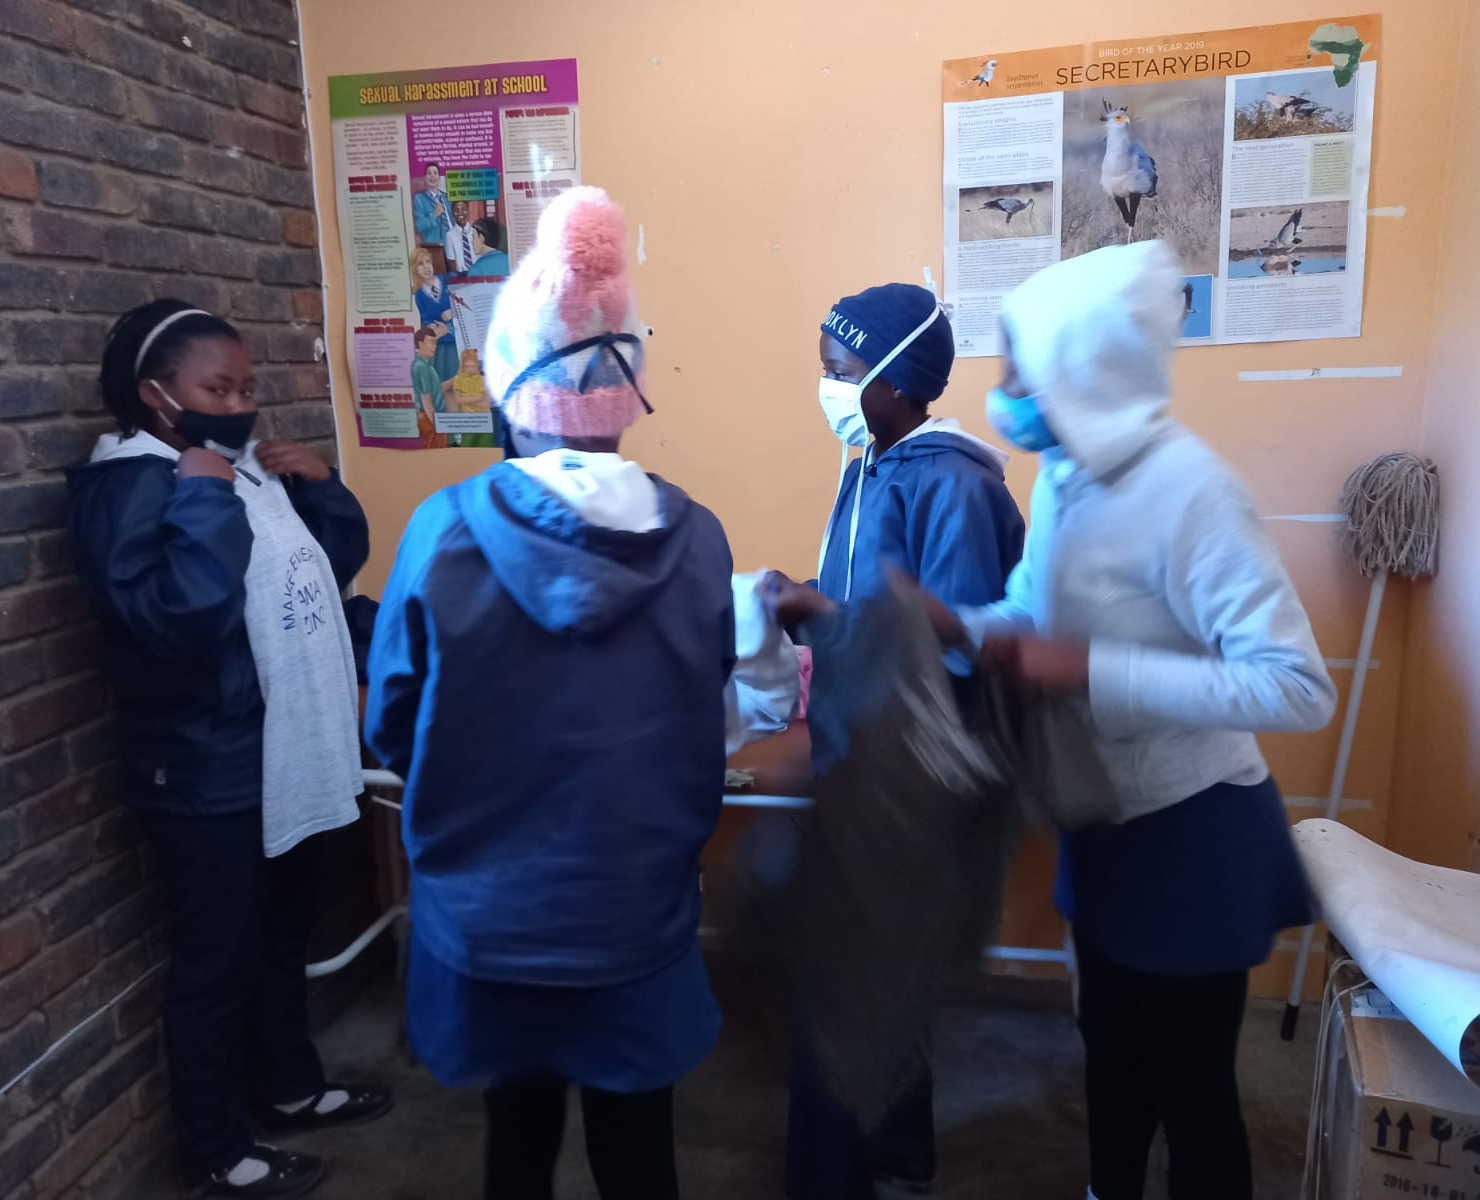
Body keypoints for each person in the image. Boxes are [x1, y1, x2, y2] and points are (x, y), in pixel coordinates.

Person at [946, 241, 1336, 1200]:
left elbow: (1294, 685)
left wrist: (1091, 669)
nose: (1003, 393)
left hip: (1194, 835)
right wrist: (952, 625)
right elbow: (1032, 612)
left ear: (1084, 371)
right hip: (1103, 820)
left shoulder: (1192, 492)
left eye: (1019, 372)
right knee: (1112, 1062)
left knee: (1192, 1091)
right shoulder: (1065, 475)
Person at [366, 185, 734, 1200]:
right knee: (639, 1153)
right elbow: (707, 706)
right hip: (634, 912)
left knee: (516, 1146)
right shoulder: (696, 540)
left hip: (493, 923)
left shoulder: (445, 532)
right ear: (630, 387)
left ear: (508, 386)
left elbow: (392, 721)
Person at [67, 300, 391, 1199]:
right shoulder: (126, 487)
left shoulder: (241, 470)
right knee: (218, 960)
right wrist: (206, 490)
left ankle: (290, 1088)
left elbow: (320, 580)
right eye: (218, 389)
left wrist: (319, 487)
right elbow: (183, 617)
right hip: (203, 768)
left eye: (247, 388)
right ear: (155, 394)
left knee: (281, 937)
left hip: (278, 747)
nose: (240, 406)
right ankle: (216, 1149)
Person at [772, 282, 1025, 1200]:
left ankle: (844, 1169)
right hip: (857, 747)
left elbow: (947, 645)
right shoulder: (870, 465)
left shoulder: (950, 484)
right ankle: (899, 1148)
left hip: (908, 769)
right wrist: (811, 604)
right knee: (882, 974)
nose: (827, 388)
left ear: (897, 381)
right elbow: (870, 600)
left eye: (840, 371)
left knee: (852, 984)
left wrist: (821, 620)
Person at [410, 247, 458, 381]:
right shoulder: (419, 295)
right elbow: (424, 317)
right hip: (438, 342)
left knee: (455, 376)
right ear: (415, 269)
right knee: (439, 376)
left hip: (455, 340)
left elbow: (467, 302)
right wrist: (429, 326)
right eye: (420, 264)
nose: (426, 267)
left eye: (428, 261)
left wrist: (453, 312)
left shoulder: (449, 280)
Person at [411, 324, 450, 449]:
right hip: (430, 418)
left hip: (432, 417)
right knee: (436, 454)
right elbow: (427, 402)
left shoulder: (426, 364)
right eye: (431, 342)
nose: (435, 346)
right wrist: (438, 426)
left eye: (435, 343)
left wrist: (456, 379)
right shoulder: (421, 367)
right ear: (420, 343)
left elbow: (436, 390)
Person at [450, 346, 497, 448]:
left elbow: (487, 403)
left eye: (472, 366)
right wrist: (479, 397)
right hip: (468, 421)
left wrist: (466, 399)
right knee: (467, 449)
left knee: (486, 449)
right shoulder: (458, 379)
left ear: (477, 365)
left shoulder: (484, 379)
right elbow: (458, 399)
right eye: (467, 366)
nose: (470, 369)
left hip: (484, 420)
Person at [412, 162, 453, 252]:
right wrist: (434, 215)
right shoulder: (420, 198)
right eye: (429, 173)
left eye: (435, 173)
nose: (432, 176)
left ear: (439, 177)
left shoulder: (447, 198)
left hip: (453, 244)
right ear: (425, 178)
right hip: (434, 246)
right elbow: (419, 226)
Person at [444, 200, 477, 272]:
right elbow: (451, 261)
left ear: (468, 211)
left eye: (463, 209)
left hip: (478, 272)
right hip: (461, 274)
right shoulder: (449, 235)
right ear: (452, 213)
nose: (460, 212)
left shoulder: (476, 231)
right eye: (456, 210)